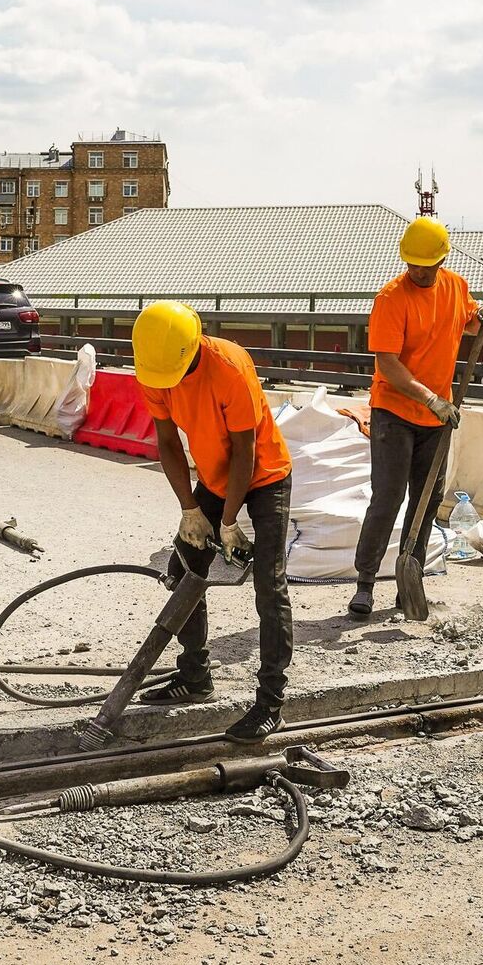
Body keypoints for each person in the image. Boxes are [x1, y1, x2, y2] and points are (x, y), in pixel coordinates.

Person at [130, 300, 295, 742]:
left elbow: (247, 452)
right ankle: (195, 676)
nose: (174, 384)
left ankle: (270, 703)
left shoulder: (229, 367)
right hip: (216, 476)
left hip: (265, 475)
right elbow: (167, 442)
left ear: (192, 349)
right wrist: (190, 510)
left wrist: (226, 523)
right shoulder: (157, 367)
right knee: (183, 567)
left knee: (269, 585)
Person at [348, 217, 483, 619]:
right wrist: (430, 398)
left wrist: (482, 317)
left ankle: (408, 577)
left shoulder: (454, 286)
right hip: (394, 412)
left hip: (438, 415)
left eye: (426, 266)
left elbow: (467, 321)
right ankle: (364, 581)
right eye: (412, 264)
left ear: (441, 260)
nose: (419, 272)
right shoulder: (392, 298)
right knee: (388, 497)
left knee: (427, 500)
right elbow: (388, 363)